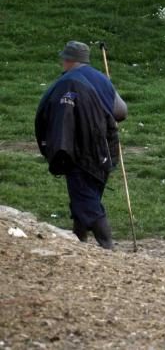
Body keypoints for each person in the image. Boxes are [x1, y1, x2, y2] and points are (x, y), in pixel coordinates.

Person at [35, 41, 127, 249]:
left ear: (68, 60)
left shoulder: (66, 82)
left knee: (86, 199)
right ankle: (79, 241)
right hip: (105, 150)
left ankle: (107, 246)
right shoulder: (101, 79)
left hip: (79, 151)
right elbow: (121, 112)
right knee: (85, 196)